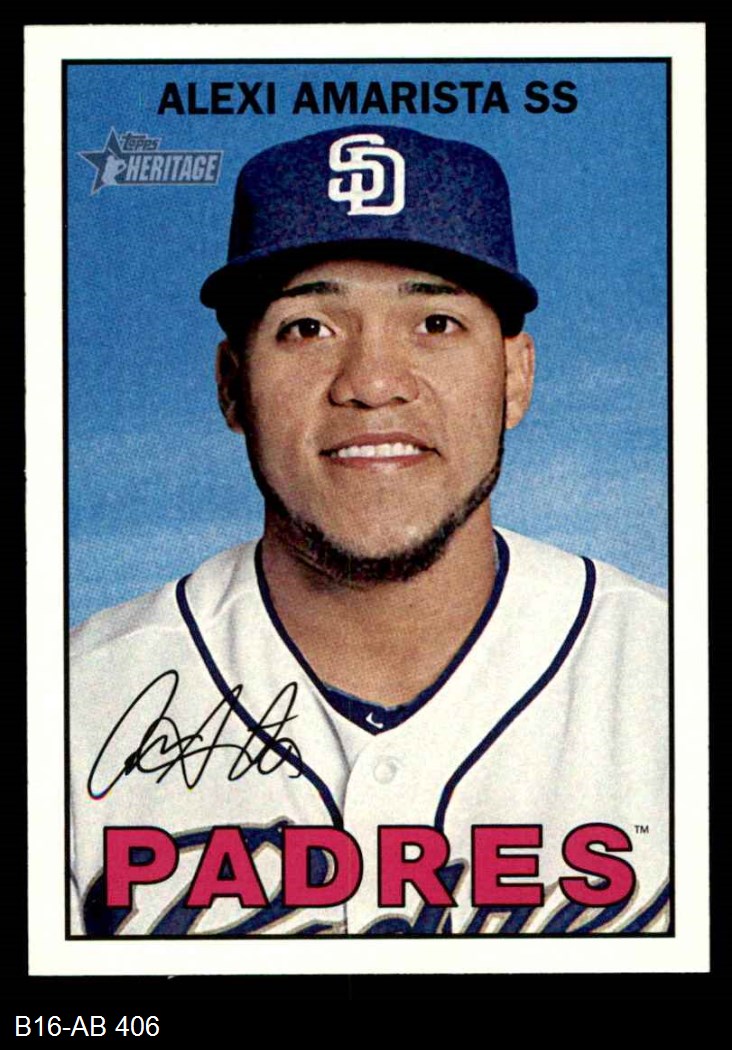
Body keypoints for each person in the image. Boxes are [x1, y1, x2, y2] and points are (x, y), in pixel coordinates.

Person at [70, 125, 669, 937]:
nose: (373, 383)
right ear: (232, 385)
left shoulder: (673, 679)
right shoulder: (74, 708)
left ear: (516, 376)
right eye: (308, 328)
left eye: (436, 323)